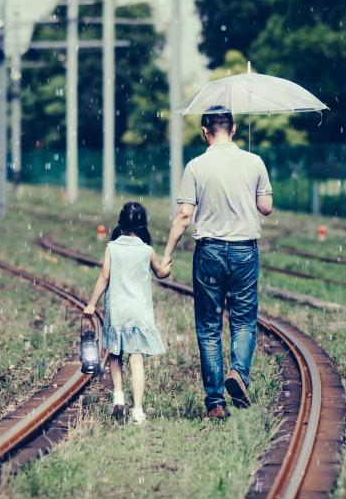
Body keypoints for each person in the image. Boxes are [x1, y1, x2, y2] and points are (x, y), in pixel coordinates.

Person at [161, 107, 273, 421]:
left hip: (208, 252)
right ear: (234, 129)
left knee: (209, 328)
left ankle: (215, 403)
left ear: (205, 132)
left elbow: (184, 214)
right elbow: (266, 207)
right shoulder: (254, 162)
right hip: (243, 252)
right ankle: (239, 371)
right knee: (243, 320)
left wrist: (167, 254)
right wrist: (249, 188)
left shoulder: (196, 166)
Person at [83, 202, 170, 424]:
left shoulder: (112, 247)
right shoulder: (147, 250)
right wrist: (166, 267)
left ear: (121, 223)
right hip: (138, 312)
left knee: (115, 355)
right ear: (143, 226)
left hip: (118, 311)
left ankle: (118, 397)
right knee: (136, 359)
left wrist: (92, 304)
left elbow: (104, 278)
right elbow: (160, 272)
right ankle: (138, 411)